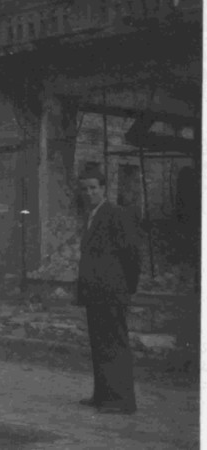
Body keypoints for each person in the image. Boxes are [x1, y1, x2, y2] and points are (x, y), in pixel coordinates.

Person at [77, 170, 140, 415]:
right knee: (100, 344)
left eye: (93, 187)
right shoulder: (91, 215)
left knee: (114, 344)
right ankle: (103, 394)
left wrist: (126, 287)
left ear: (103, 188)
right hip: (95, 292)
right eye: (85, 189)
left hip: (112, 291)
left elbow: (131, 254)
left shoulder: (115, 213)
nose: (89, 193)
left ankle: (121, 400)